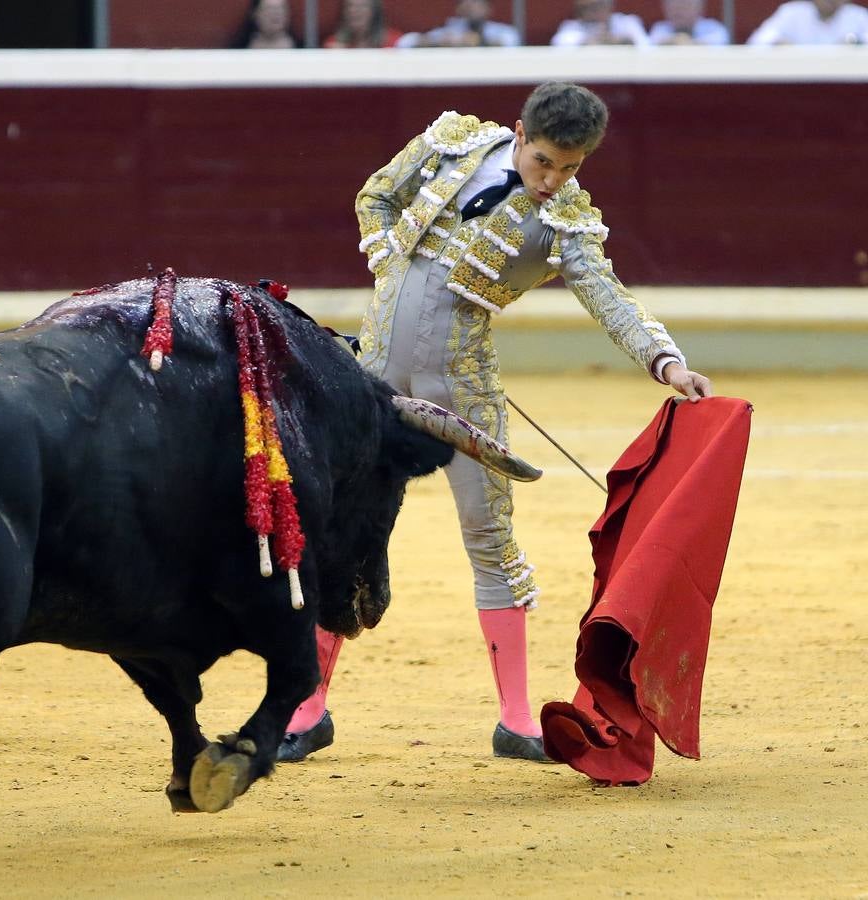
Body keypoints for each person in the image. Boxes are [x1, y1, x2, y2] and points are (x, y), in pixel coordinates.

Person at [276, 82, 712, 764]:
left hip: (464, 389)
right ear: (517, 133)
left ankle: (514, 720)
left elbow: (609, 298)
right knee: (341, 535)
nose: (554, 181)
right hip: (372, 387)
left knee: (489, 539)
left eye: (572, 168)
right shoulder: (453, 145)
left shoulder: (566, 221)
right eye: (544, 163)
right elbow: (375, 195)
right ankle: (307, 711)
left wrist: (667, 362)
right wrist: (388, 260)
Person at [396, 0, 521, 48]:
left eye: (477, 2)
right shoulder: (450, 31)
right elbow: (405, 42)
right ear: (458, 8)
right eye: (465, 1)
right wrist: (437, 43)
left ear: (488, 8)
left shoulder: (502, 32)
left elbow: (512, 42)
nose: (471, 6)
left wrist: (477, 41)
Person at [747, 0, 868, 45]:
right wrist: (778, 42)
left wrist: (856, 43)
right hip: (796, 82)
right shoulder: (792, 12)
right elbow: (758, 40)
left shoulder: (859, 15)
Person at [550, 0, 650, 46]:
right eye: (585, 8)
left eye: (597, 6)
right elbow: (560, 43)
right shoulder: (571, 27)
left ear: (609, 5)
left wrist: (621, 41)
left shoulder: (627, 22)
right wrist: (591, 41)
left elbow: (646, 46)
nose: (592, 12)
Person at [324, 0, 403, 48]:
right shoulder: (334, 44)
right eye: (350, 6)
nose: (354, 11)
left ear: (375, 12)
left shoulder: (395, 42)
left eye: (362, 6)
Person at [648, 0, 730, 45]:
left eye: (684, 7)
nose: (678, 12)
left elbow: (719, 41)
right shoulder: (660, 28)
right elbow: (651, 43)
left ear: (698, 8)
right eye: (673, 7)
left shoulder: (713, 28)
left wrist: (686, 42)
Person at [230, 0, 300, 49]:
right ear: (255, 14)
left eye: (281, 8)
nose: (277, 14)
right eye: (270, 9)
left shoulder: (303, 48)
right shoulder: (240, 49)